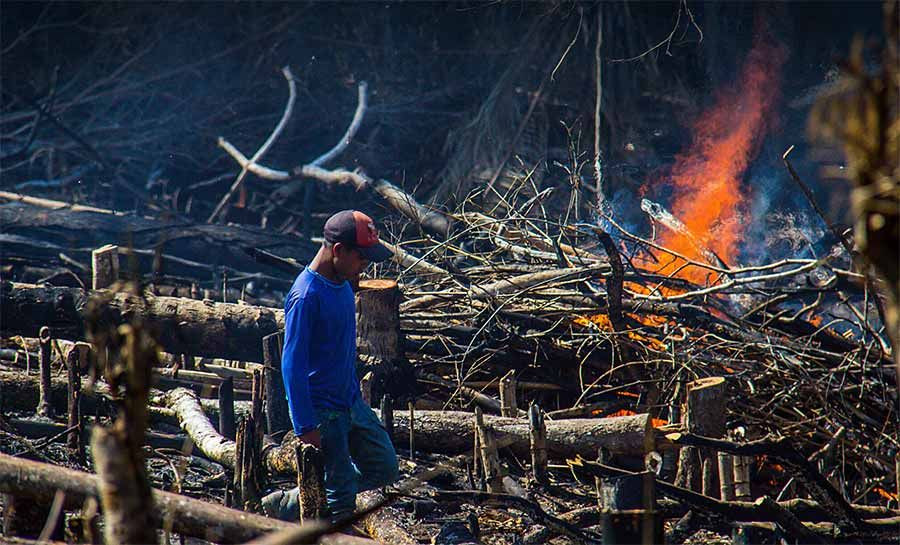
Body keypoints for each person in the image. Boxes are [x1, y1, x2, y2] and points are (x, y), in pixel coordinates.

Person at [264, 210, 399, 522]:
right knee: (340, 504)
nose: (366, 264)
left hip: (350, 400)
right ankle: (312, 513)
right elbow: (292, 365)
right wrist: (305, 426)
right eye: (361, 256)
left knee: (385, 467)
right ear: (338, 251)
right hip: (324, 410)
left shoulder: (343, 280)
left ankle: (292, 499)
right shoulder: (306, 296)